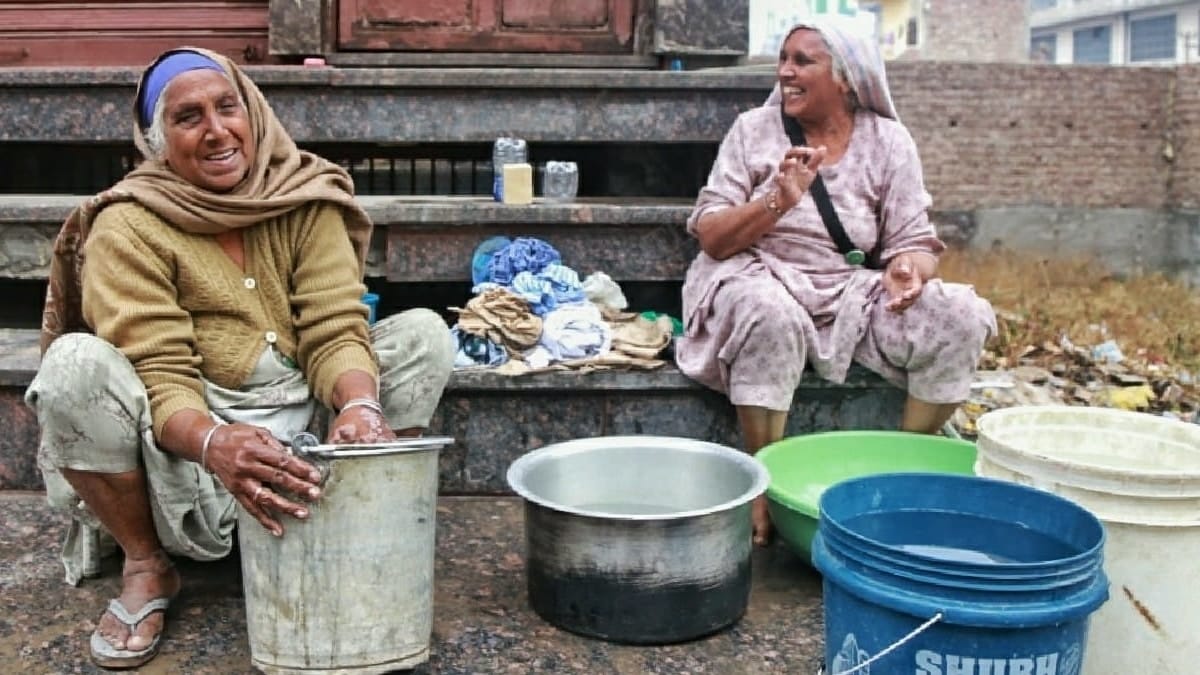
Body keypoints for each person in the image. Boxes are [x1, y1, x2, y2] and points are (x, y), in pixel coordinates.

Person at [24, 47, 455, 668]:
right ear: (157, 141)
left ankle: (354, 515)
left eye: (228, 107)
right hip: (187, 432)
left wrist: (359, 404)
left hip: (302, 405)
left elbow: (334, 326)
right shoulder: (126, 224)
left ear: (253, 111)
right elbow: (157, 370)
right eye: (188, 117)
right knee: (72, 369)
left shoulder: (306, 196)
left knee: (422, 335)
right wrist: (214, 442)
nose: (217, 130)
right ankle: (148, 566)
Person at [676, 20, 996, 546]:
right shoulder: (753, 131)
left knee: (959, 315)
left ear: (848, 78)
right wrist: (777, 199)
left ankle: (900, 469)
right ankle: (763, 484)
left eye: (803, 61)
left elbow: (913, 240)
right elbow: (711, 235)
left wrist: (908, 269)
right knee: (767, 312)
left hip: (848, 289)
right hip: (756, 272)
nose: (785, 72)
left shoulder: (888, 141)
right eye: (784, 59)